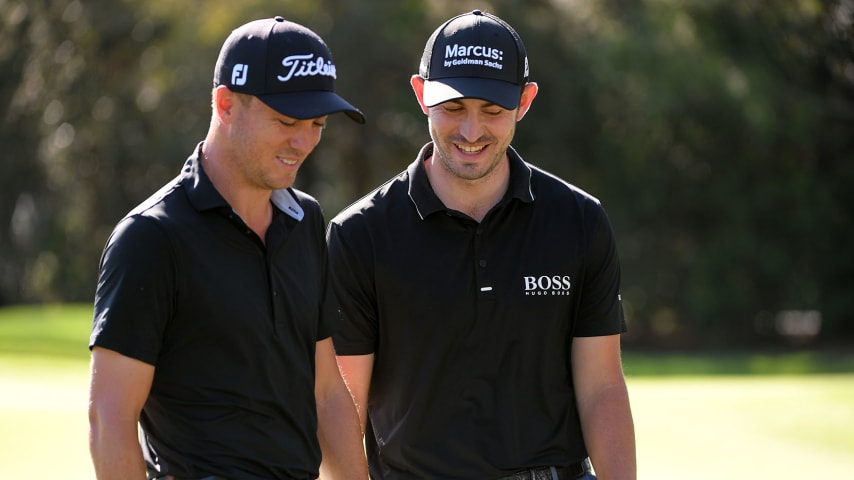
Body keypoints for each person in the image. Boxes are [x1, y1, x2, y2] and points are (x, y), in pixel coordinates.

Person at [327, 10, 636, 480]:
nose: (471, 132)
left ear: (524, 101)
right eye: (453, 108)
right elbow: (341, 406)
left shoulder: (579, 221)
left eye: (492, 110)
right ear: (421, 95)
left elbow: (601, 388)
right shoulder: (359, 235)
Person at [88, 17, 369, 480]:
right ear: (226, 104)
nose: (303, 142)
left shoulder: (305, 222)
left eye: (317, 123)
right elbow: (109, 420)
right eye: (286, 121)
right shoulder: (151, 238)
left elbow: (325, 391)